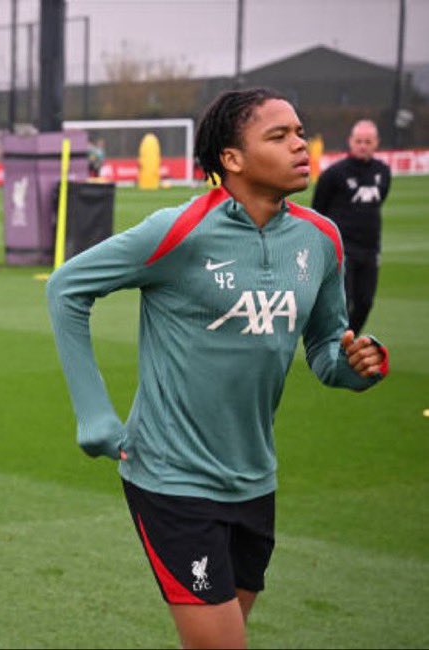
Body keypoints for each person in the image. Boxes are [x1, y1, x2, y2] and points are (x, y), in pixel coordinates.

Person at [46, 88, 388, 649]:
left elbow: (328, 350)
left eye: (299, 133)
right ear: (232, 158)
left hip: (255, 479)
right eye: (278, 136)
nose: (299, 145)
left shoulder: (321, 239)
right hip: (170, 477)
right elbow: (66, 288)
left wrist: (358, 365)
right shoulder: (179, 230)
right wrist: (94, 413)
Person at [312, 119, 391, 333]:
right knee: (343, 303)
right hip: (343, 249)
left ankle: (348, 341)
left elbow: (379, 199)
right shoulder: (334, 174)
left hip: (370, 249)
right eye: (359, 141)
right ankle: (335, 343)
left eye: (368, 141)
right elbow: (318, 209)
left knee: (365, 302)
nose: (363, 146)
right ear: (350, 141)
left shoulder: (383, 171)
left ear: (376, 143)